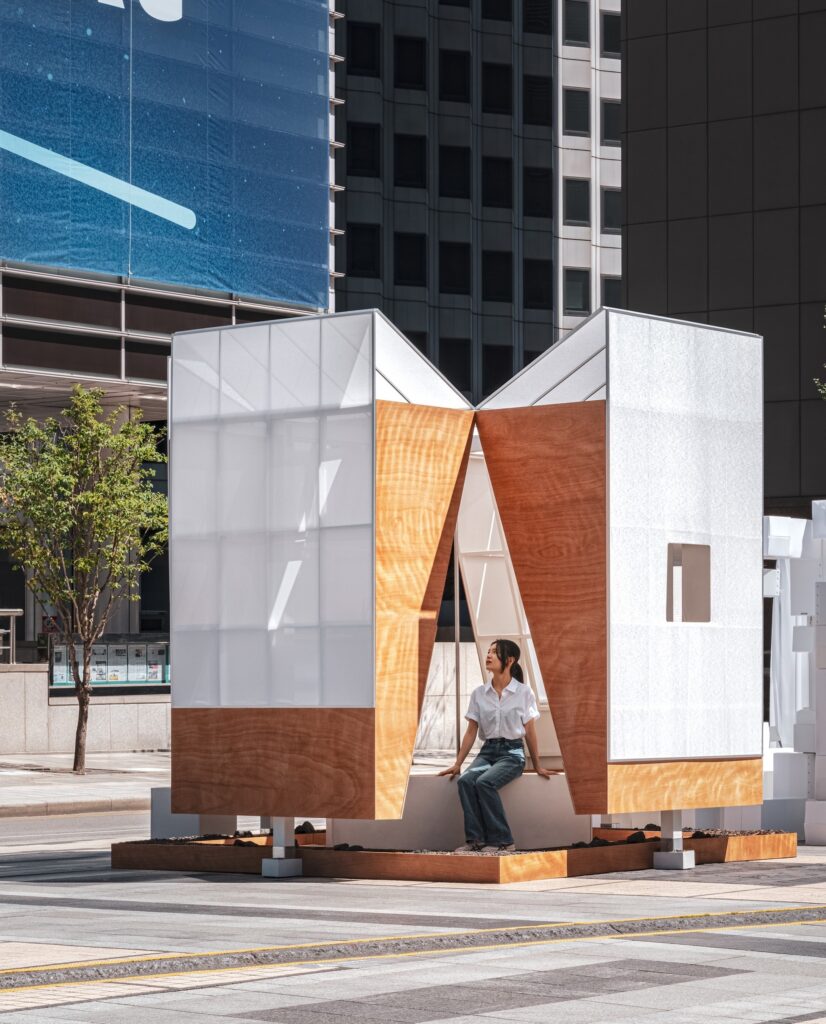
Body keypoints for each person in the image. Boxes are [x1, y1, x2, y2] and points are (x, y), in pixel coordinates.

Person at [439, 638, 558, 852]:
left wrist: (537, 764)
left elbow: (530, 732)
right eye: (489, 651)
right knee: (466, 781)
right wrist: (458, 764)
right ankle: (475, 840)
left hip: (512, 753)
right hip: (488, 751)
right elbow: (471, 731)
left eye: (495, 652)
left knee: (484, 783)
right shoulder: (479, 694)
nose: (489, 655)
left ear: (510, 660)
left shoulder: (524, 693)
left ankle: (503, 841)